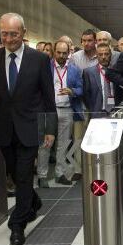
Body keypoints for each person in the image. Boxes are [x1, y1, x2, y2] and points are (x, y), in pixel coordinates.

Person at [0, 12, 57, 245]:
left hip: (30, 126)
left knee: (24, 174)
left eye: (14, 34)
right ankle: (32, 202)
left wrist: (49, 129)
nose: (9, 38)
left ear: (24, 33)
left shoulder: (39, 60)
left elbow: (48, 97)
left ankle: (17, 224)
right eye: (4, 33)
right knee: (14, 173)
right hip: (4, 126)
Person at [37, 41, 83, 187]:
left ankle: (59, 173)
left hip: (67, 109)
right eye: (59, 52)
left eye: (65, 53)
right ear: (54, 52)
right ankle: (42, 175)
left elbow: (81, 88)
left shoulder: (75, 70)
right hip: (49, 111)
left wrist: (73, 91)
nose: (61, 56)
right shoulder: (45, 67)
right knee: (46, 144)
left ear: (69, 53)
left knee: (63, 144)